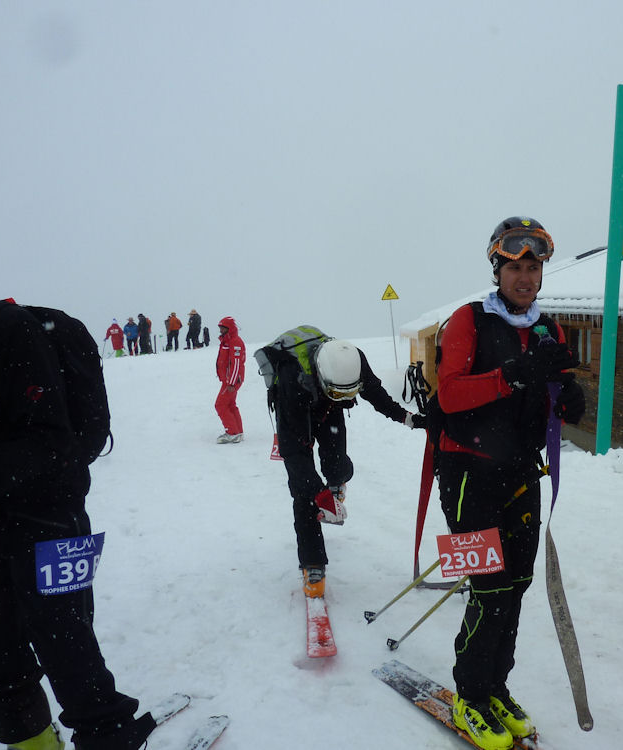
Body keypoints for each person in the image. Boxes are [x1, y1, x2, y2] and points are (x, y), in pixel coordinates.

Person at [0, 296, 156, 750]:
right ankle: (32, 742)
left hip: (47, 506)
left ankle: (108, 737)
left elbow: (51, 439)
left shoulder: (9, 330)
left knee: (63, 634)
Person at [433, 217, 585, 750]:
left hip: (522, 473)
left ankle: (495, 687)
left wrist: (568, 400)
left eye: (534, 267)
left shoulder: (549, 329)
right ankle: (469, 694)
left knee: (517, 587)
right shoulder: (469, 321)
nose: (525, 277)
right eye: (515, 266)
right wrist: (513, 375)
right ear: (497, 270)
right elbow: (449, 395)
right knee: (488, 590)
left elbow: (554, 391)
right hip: (467, 474)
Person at [257, 326, 423, 598]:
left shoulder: (353, 360)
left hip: (328, 406)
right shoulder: (290, 380)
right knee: (303, 491)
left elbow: (375, 393)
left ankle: (336, 485)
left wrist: (407, 418)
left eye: (350, 394)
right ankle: (313, 563)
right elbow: (294, 456)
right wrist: (319, 495)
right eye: (339, 393)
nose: (347, 399)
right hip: (299, 407)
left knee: (337, 462)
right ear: (323, 378)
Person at [215, 316, 246, 444]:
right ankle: (238, 432)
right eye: (220, 328)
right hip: (228, 379)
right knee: (230, 404)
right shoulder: (227, 341)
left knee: (220, 405)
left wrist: (232, 382)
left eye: (223, 328)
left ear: (230, 328)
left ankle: (232, 432)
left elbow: (236, 363)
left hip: (232, 380)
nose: (221, 330)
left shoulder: (235, 341)